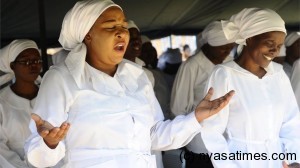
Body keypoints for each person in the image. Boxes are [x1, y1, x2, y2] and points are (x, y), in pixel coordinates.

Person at [24, 0, 234, 167]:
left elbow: (153, 135)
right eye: (110, 26)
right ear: (87, 35)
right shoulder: (62, 79)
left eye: (123, 26)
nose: (121, 32)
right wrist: (49, 143)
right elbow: (37, 155)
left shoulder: (137, 76)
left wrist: (195, 118)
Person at [201, 8, 300, 168]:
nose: (275, 51)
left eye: (279, 46)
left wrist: (294, 159)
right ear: (249, 39)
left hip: (278, 161)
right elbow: (211, 132)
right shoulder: (225, 75)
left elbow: (291, 122)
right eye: (269, 43)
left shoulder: (278, 74)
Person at [170, 21, 235, 168]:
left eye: (230, 48)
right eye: (223, 48)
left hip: (227, 140)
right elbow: (178, 108)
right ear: (208, 45)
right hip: (200, 143)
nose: (226, 52)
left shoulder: (230, 63)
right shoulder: (191, 66)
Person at [0, 39, 42, 167]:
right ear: (12, 66)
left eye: (37, 60)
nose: (33, 65)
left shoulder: (51, 95)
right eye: (26, 61)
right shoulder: (2, 102)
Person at [124, 20, 155, 86]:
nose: (136, 40)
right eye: (130, 37)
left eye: (138, 36)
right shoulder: (113, 73)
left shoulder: (147, 75)